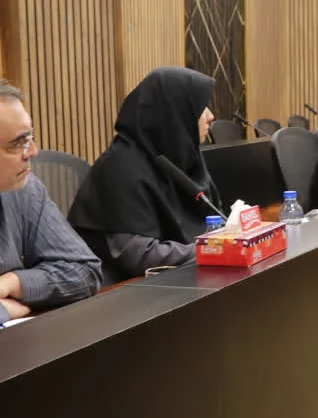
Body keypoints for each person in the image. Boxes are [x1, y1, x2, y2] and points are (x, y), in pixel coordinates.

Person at [69, 67, 221, 283]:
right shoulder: (120, 166)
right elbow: (138, 255)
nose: (210, 116)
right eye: (200, 107)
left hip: (182, 281)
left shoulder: (181, 157)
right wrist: (211, 250)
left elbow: (215, 223)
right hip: (129, 291)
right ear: (173, 112)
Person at [0, 81, 101, 322]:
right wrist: (4, 310)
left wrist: (14, 283)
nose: (33, 152)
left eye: (30, 137)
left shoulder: (24, 187)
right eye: (18, 143)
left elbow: (84, 271)